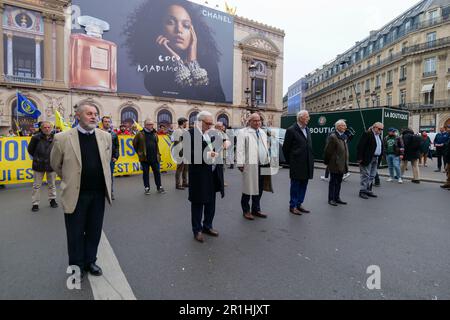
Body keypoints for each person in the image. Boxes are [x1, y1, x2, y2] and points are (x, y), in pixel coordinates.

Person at [50, 102, 112, 278]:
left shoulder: (105, 136)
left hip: (98, 194)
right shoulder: (62, 138)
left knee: (94, 230)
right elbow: (56, 164)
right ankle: (76, 265)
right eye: (89, 113)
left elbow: (105, 162)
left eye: (95, 114)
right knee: (75, 233)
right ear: (78, 116)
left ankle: (90, 261)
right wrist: (71, 179)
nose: (94, 117)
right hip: (76, 194)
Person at [124, 0, 227, 103]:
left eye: (186, 25)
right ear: (157, 28)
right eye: (170, 22)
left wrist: (193, 62)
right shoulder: (153, 77)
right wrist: (177, 61)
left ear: (193, 32)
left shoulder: (208, 63)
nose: (179, 29)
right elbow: (190, 98)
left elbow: (218, 101)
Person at [186, 111, 224, 243]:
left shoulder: (212, 134)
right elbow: (187, 154)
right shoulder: (189, 134)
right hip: (199, 174)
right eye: (208, 123)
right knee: (198, 202)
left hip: (213, 173)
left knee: (211, 202)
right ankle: (197, 230)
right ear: (200, 121)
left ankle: (208, 226)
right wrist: (207, 155)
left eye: (211, 123)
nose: (210, 126)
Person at [237, 113, 273, 220]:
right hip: (250, 163)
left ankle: (256, 209)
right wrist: (240, 163)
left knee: (260, 187)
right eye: (255, 121)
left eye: (259, 121)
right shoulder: (243, 132)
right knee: (248, 188)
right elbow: (240, 149)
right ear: (250, 121)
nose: (257, 122)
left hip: (263, 163)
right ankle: (246, 210)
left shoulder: (262, 132)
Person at [282, 110, 314, 215]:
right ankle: (293, 206)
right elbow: (285, 148)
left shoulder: (307, 129)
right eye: (307, 117)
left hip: (307, 162)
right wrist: (291, 161)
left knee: (304, 184)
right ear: (300, 118)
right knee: (295, 186)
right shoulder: (291, 130)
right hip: (296, 163)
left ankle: (299, 204)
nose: (309, 118)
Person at [27, 121, 58, 212]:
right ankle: (35, 203)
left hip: (51, 164)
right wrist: (38, 158)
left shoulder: (55, 138)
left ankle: (52, 200)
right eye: (45, 127)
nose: (47, 129)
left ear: (51, 128)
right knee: (36, 185)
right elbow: (30, 150)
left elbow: (57, 150)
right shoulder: (36, 138)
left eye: (49, 127)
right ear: (41, 128)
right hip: (38, 164)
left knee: (52, 184)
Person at [132, 119, 166, 195]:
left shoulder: (155, 134)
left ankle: (159, 187)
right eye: (150, 124)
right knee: (146, 173)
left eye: (152, 124)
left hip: (154, 157)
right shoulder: (140, 134)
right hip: (144, 158)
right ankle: (147, 188)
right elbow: (134, 144)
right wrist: (139, 153)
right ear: (145, 125)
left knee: (157, 172)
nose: (152, 126)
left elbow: (156, 144)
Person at [324, 120, 349, 206]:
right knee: (333, 182)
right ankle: (331, 199)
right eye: (343, 125)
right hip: (334, 163)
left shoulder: (344, 136)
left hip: (342, 163)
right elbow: (328, 151)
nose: (345, 127)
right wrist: (327, 162)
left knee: (339, 182)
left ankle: (337, 198)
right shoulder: (333, 137)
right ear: (338, 127)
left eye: (345, 125)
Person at [357, 122, 384, 199]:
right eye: (379, 129)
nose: (380, 130)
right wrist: (359, 158)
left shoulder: (379, 136)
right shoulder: (367, 134)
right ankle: (362, 191)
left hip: (376, 158)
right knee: (365, 175)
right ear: (374, 127)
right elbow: (360, 146)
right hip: (368, 157)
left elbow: (380, 146)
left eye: (382, 129)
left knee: (372, 175)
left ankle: (368, 190)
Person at [101, 116, 120, 200]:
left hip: (110, 159)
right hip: (100, 159)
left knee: (110, 176)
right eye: (105, 121)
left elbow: (116, 146)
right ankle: (100, 193)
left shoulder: (114, 134)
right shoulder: (98, 132)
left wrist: (116, 156)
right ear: (102, 122)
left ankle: (110, 192)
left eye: (108, 121)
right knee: (100, 176)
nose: (107, 123)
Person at [172, 117, 189, 190]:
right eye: (185, 122)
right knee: (179, 169)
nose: (186, 124)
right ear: (183, 122)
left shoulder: (184, 130)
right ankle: (178, 184)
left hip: (185, 151)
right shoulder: (178, 131)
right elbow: (177, 143)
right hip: (180, 152)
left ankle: (185, 182)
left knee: (185, 168)